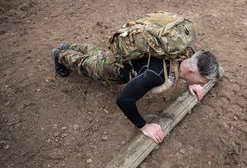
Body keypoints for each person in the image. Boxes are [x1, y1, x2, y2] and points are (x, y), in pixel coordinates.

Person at [52, 43, 220, 143]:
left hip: (127, 55)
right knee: (87, 65)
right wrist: (144, 126)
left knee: (100, 54)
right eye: (200, 81)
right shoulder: (155, 76)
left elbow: (183, 69)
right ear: (191, 71)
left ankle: (71, 46)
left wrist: (191, 83)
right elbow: (124, 100)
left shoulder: (186, 51)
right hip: (115, 70)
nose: (201, 84)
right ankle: (61, 54)